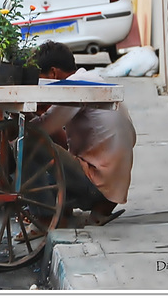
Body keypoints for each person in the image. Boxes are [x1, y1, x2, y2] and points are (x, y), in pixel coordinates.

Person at [28, 40, 136, 230]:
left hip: (98, 186)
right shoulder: (91, 79)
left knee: (28, 141)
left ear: (53, 73)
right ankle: (65, 208)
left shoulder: (73, 88)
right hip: (111, 187)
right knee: (49, 141)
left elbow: (43, 128)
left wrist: (15, 124)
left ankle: (44, 218)